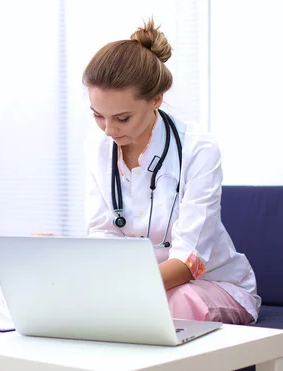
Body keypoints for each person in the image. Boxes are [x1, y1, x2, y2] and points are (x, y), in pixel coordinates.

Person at [81, 18, 260, 324]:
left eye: (122, 118)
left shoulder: (198, 150)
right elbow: (103, 233)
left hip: (212, 286)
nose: (109, 130)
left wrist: (119, 287)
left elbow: (189, 261)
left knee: (178, 301)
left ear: (157, 99)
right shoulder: (98, 148)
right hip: (139, 288)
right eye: (98, 115)